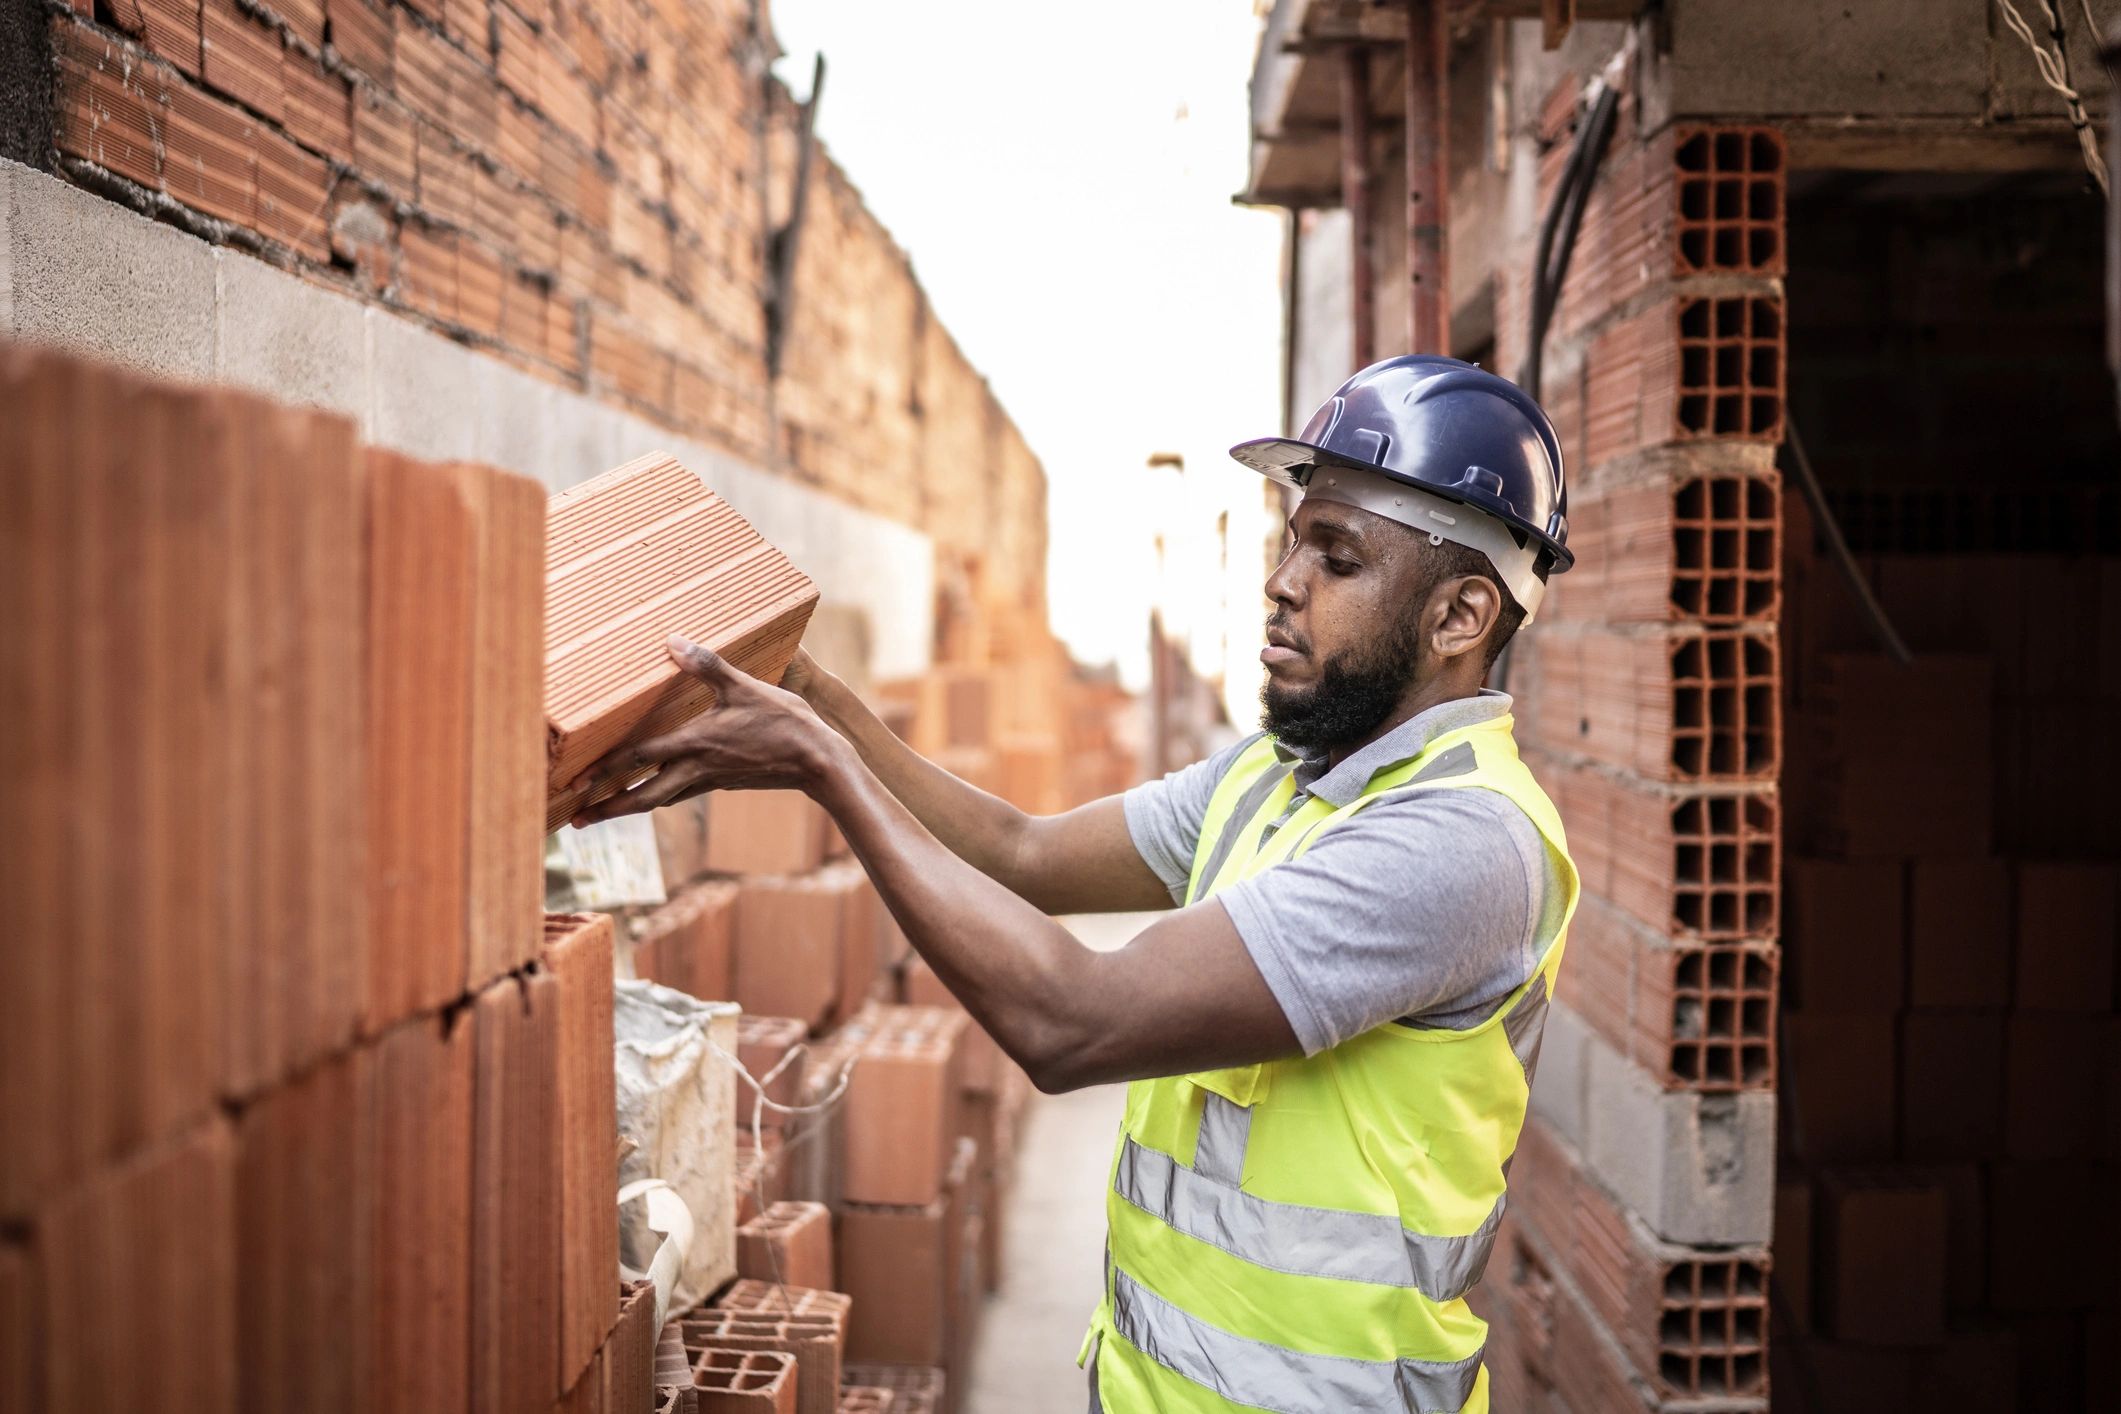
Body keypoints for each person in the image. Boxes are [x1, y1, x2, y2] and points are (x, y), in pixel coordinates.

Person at [572, 355, 1581, 1414]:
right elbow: (1023, 853)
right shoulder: (1281, 776)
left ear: (1460, 617)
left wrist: (822, 769)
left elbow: (1072, 1020)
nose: (1285, 580)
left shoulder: (1461, 841)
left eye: (1337, 557)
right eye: (1293, 537)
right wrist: (815, 698)